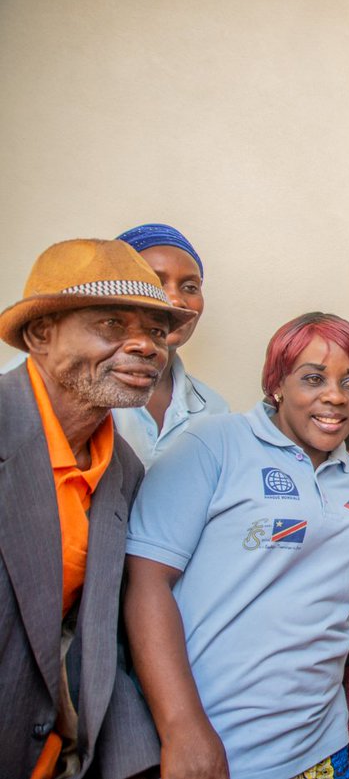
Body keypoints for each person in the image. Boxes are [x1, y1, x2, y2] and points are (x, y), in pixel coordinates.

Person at [124, 313, 349, 779]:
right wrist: (183, 728)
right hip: (217, 745)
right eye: (312, 378)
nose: (334, 396)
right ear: (277, 384)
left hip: (324, 747)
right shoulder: (213, 444)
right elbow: (146, 584)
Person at [0, 239, 189, 778]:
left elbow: (97, 637)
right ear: (41, 334)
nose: (147, 347)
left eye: (156, 332)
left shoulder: (123, 467)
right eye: (112, 324)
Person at [111, 223, 229, 466]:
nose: (176, 299)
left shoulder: (214, 412)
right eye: (155, 282)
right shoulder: (67, 382)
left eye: (190, 287)